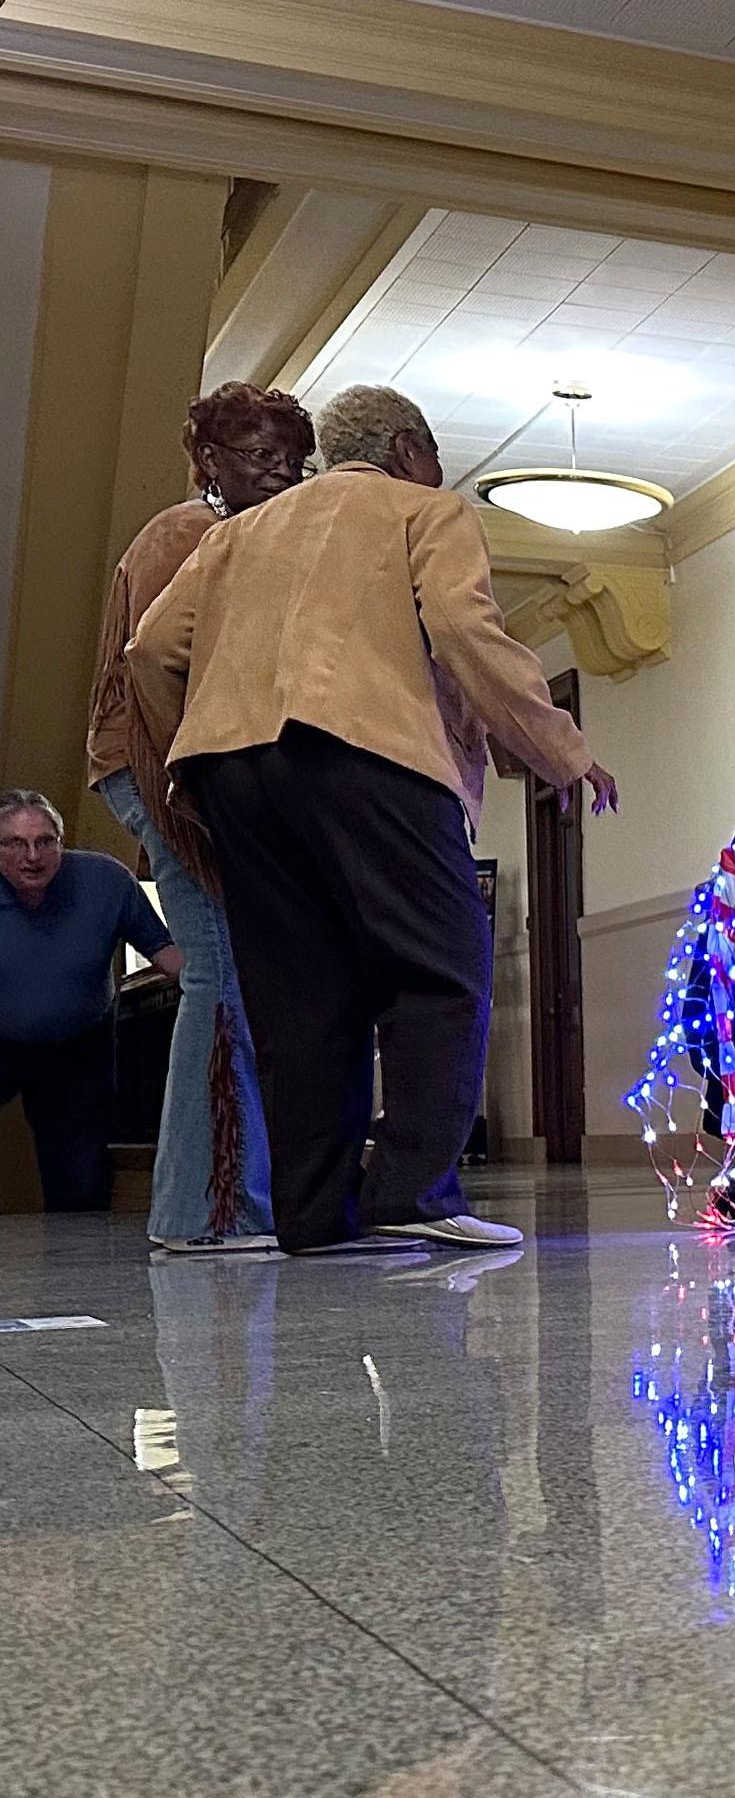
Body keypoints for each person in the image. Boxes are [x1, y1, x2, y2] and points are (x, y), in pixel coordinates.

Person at [131, 383, 618, 1257]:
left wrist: (194, 756)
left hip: (231, 774)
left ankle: (314, 1217)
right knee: (442, 971)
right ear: (410, 450)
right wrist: (562, 751)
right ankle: (412, 1193)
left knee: (300, 996)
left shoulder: (234, 535)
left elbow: (152, 652)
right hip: (368, 754)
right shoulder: (422, 508)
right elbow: (468, 630)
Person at [83, 380, 311, 1253]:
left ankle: (212, 1207)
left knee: (229, 972)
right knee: (219, 970)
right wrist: (198, 781)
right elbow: (158, 671)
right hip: (163, 769)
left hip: (164, 769)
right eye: (262, 457)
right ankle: (207, 1213)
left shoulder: (222, 535)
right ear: (209, 460)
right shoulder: (190, 533)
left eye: (294, 462)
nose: (282, 475)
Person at [0, 787, 173, 1213]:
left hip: (79, 1045)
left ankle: (74, 1275)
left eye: (44, 841)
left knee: (79, 1182)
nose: (32, 856)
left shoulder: (106, 882)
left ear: (60, 842)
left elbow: (169, 955)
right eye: (15, 843)